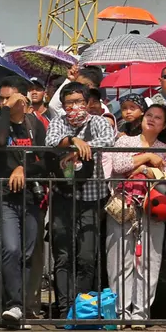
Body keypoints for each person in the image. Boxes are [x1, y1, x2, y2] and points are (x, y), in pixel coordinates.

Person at [45, 82, 115, 319]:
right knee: (63, 255)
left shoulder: (98, 122)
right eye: (70, 104)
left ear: (87, 103)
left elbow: (108, 140)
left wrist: (82, 148)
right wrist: (74, 142)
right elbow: (50, 141)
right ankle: (64, 310)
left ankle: (81, 309)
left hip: (91, 197)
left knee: (87, 255)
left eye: (79, 102)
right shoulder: (58, 122)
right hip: (63, 197)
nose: (75, 107)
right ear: (63, 106)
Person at [0, 77, 46, 326]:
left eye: (9, 97)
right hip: (3, 196)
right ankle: (13, 305)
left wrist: (23, 168)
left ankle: (23, 305)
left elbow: (45, 159)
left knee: (28, 253)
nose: (3, 102)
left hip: (30, 196)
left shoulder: (35, 125)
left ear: (23, 97)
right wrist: (7, 111)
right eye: (1, 98)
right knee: (10, 248)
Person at [104, 103, 166, 325]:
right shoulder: (125, 141)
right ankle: (121, 311)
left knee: (149, 261)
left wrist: (140, 168)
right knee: (118, 260)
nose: (152, 119)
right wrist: (147, 159)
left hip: (152, 209)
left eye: (158, 118)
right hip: (122, 206)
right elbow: (119, 163)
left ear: (164, 126)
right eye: (149, 115)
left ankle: (140, 312)